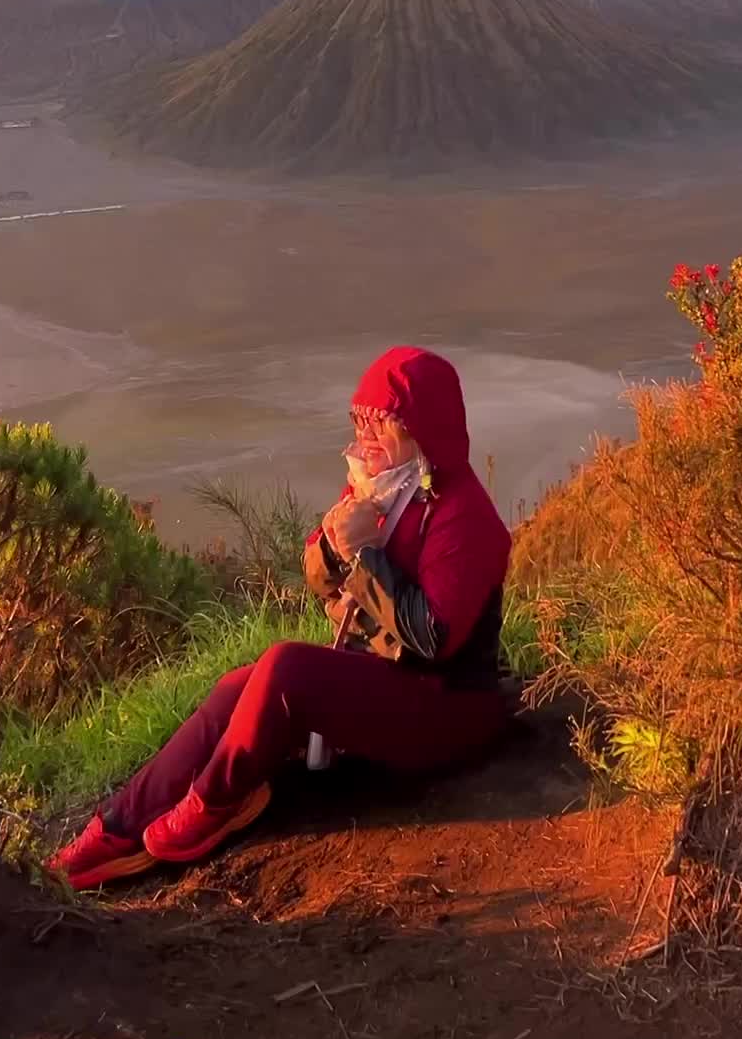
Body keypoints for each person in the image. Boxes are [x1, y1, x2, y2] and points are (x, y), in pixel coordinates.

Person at [50, 345, 513, 891]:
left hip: (451, 709)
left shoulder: (464, 515)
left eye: (383, 423)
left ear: (422, 429)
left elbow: (432, 640)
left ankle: (219, 799)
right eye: (361, 420)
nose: (365, 437)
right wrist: (340, 555)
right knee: (235, 689)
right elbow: (319, 575)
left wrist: (365, 559)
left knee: (285, 669)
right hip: (392, 680)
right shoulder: (381, 487)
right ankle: (118, 827)